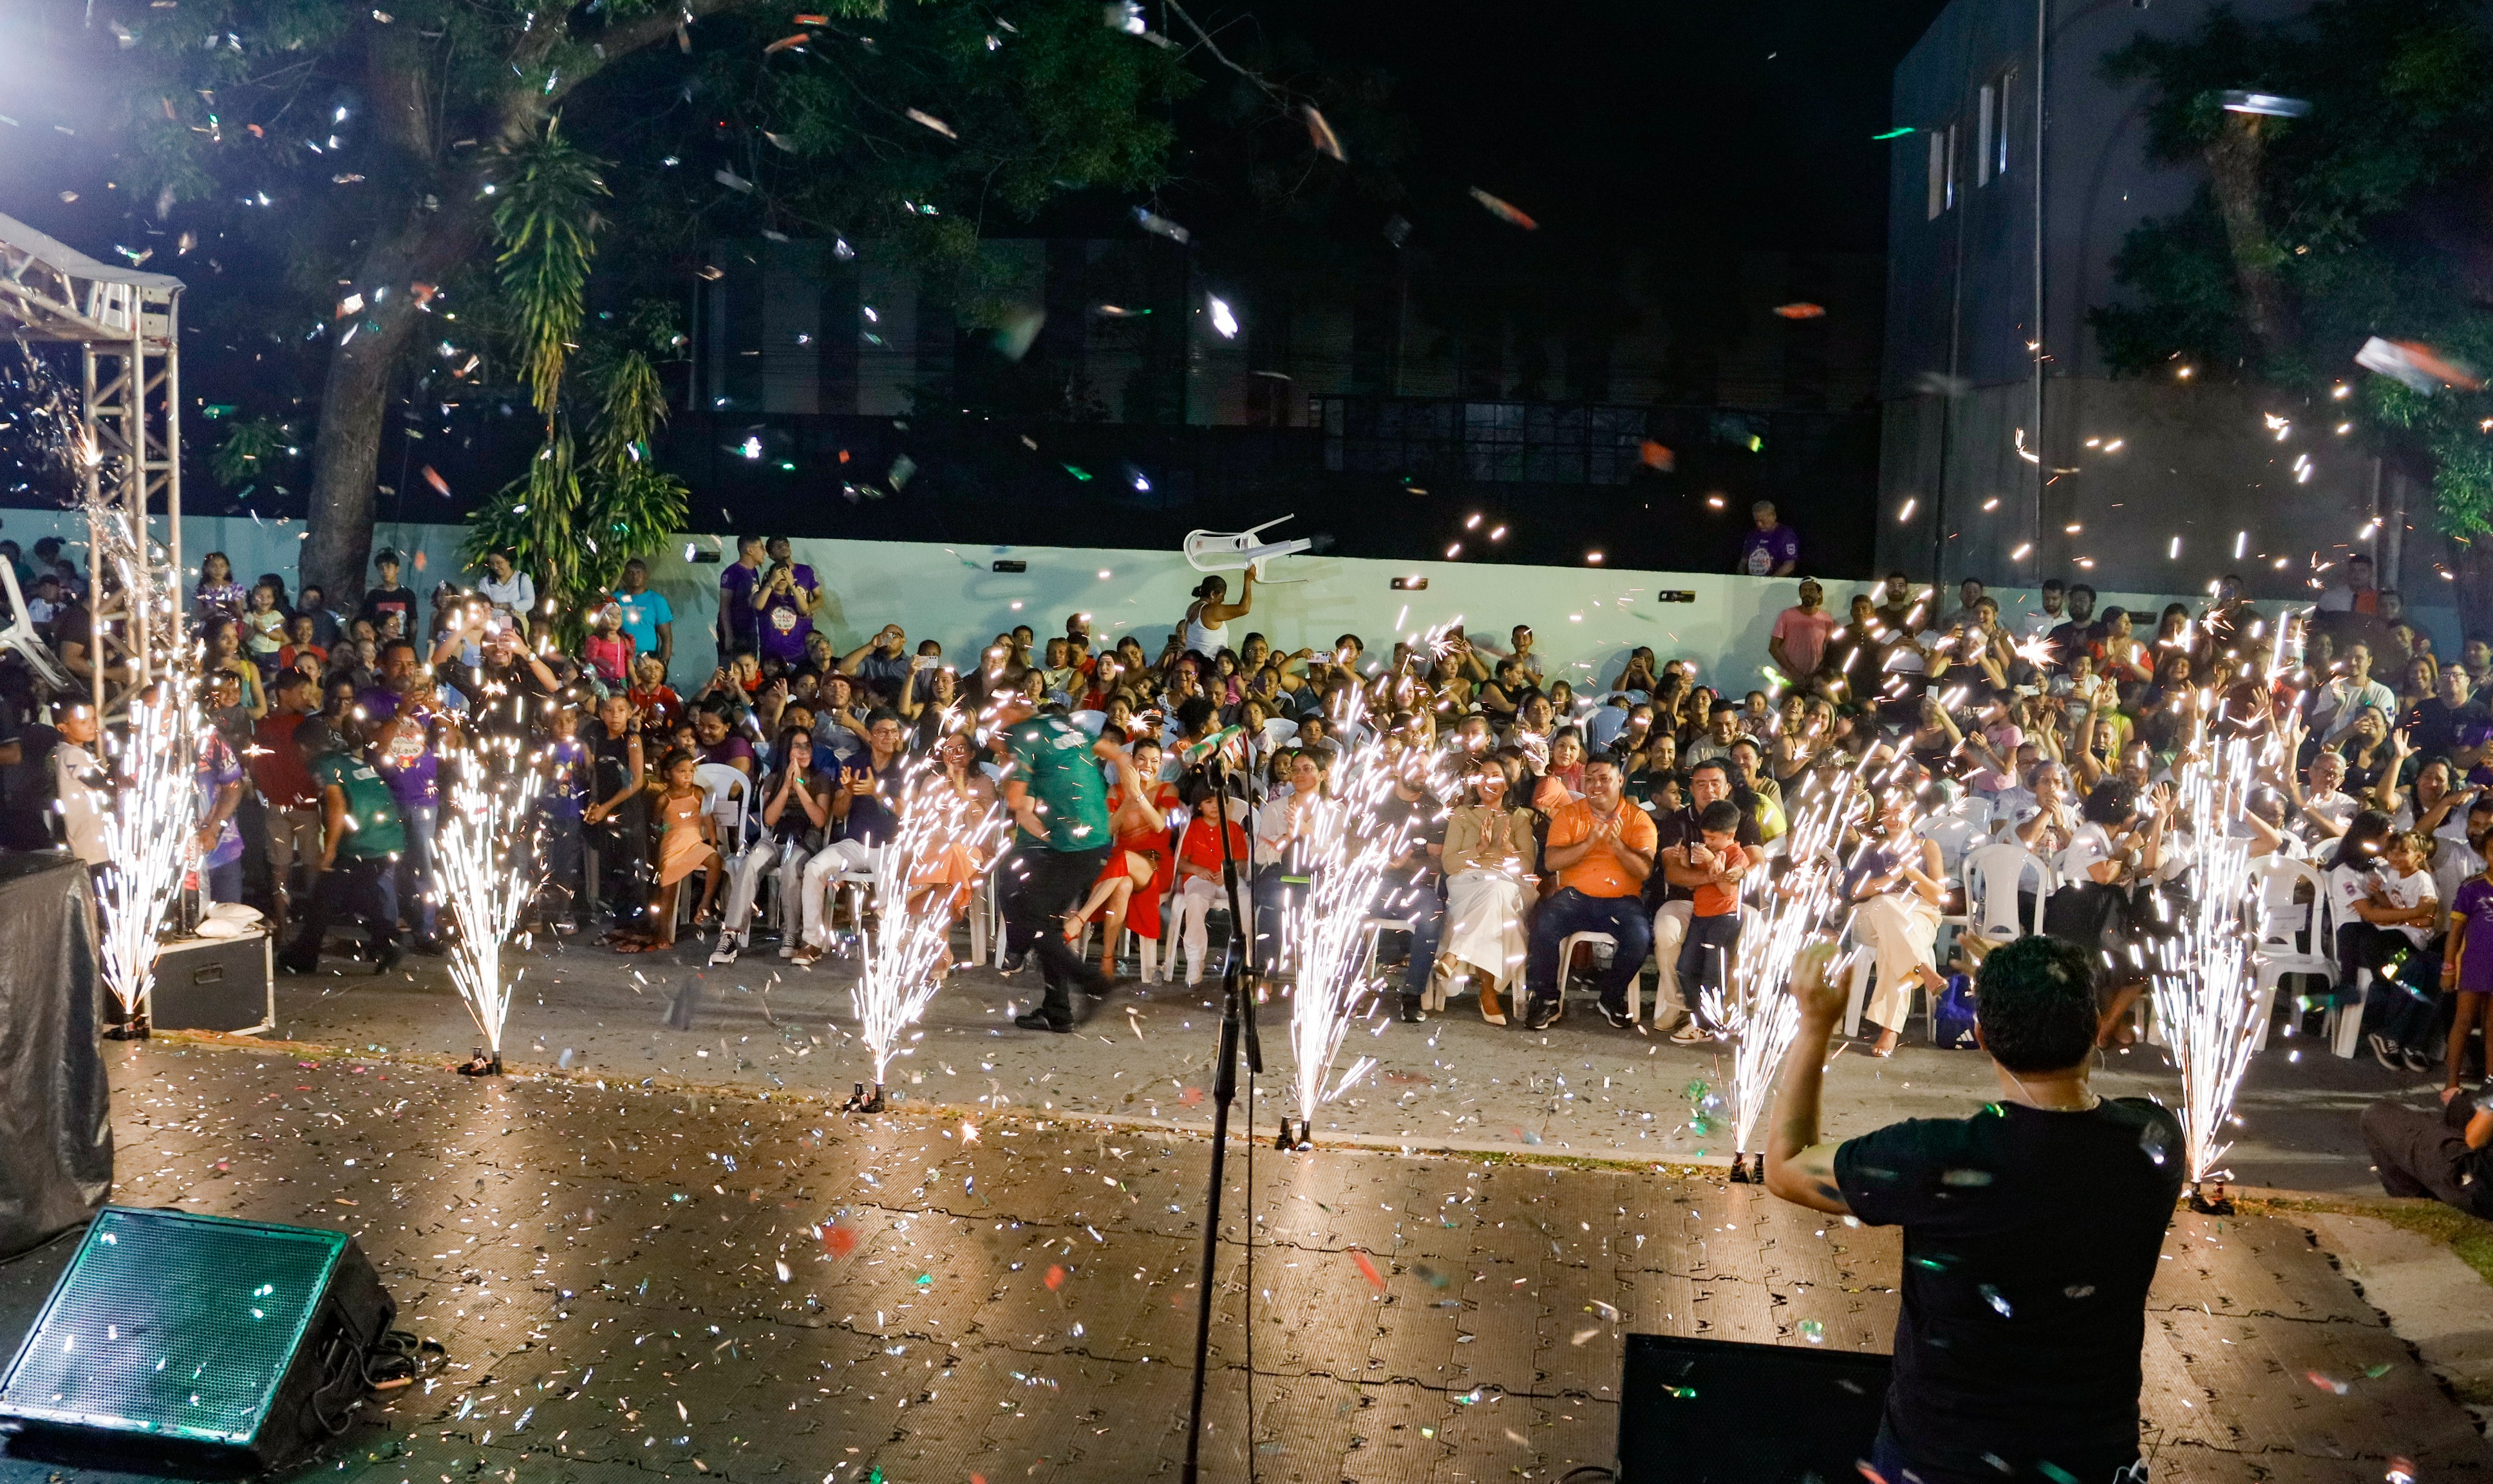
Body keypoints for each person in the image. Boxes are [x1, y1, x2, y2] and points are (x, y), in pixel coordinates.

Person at [1766, 935, 2183, 1484]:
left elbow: (1785, 1165)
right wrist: (2036, 996)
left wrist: (1815, 1024)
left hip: (1938, 1465)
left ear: (1982, 1036)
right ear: (2094, 1027)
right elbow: (2078, 1127)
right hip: (2092, 1465)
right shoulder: (2154, 1142)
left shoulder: (1937, 1158)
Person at [994, 695, 1118, 1031]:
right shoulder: (1061, 740)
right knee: (1042, 922)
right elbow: (1112, 750)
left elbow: (1020, 807)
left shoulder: (1027, 743)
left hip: (1067, 850)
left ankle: (1093, 982)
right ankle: (1058, 1011)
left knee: (1035, 920)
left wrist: (1053, 839)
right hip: (1083, 845)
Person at [1523, 757, 1657, 1029]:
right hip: (1575, 897)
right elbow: (1551, 862)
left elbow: (1644, 871)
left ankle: (1611, 997)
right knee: (1544, 924)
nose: (1596, 785)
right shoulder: (1569, 815)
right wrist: (1589, 843)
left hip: (1622, 900)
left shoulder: (1637, 818)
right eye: (1590, 779)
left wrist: (1617, 845)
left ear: (1620, 780)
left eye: (1604, 779)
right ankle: (1547, 998)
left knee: (1640, 937)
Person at [281, 720, 408, 977]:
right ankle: (387, 942)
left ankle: (305, 957)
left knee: (326, 897)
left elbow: (337, 805)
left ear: (304, 748)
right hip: (387, 836)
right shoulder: (348, 759)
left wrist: (329, 851)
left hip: (365, 842)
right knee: (352, 894)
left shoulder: (322, 764)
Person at [1847, 787, 1953, 1057]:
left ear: (1912, 813)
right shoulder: (1870, 847)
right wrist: (1889, 880)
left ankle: (1890, 1029)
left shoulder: (1928, 847)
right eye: (1887, 813)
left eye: (1899, 812)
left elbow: (1939, 897)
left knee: (1893, 945)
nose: (1892, 819)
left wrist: (1911, 872)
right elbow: (1854, 892)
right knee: (1886, 905)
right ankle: (1922, 968)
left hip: (1918, 915)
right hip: (1873, 914)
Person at [1437, 755, 1536, 1025]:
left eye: (1495, 776)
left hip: (1510, 884)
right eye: (1483, 776)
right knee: (1495, 899)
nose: (1488, 782)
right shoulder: (1462, 814)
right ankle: (1488, 992)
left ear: (1507, 785)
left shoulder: (1518, 818)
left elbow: (1527, 866)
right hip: (1468, 884)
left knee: (1497, 890)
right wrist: (1479, 848)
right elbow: (1449, 864)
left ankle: (1455, 953)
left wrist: (1509, 850)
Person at [1667, 799, 1749, 1040]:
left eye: (1713, 838)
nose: (1707, 842)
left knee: (1713, 973)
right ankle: (1702, 1017)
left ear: (1730, 835)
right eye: (1705, 837)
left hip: (1724, 919)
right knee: (1685, 968)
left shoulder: (1737, 856)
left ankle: (1707, 1024)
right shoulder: (1706, 851)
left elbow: (1727, 890)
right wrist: (1684, 860)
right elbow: (1694, 883)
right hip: (1700, 916)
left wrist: (1713, 861)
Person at [1171, 787, 1252, 990]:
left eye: (1218, 801)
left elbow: (1243, 863)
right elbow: (1180, 863)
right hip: (1199, 878)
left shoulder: (1234, 829)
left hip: (1228, 878)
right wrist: (1197, 870)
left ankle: (1245, 959)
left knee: (1246, 899)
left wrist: (1229, 872)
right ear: (1199, 806)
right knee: (1196, 899)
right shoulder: (1192, 828)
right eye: (1209, 802)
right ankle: (1195, 960)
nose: (1215, 806)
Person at [612, 558, 674, 678]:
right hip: (618, 661)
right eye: (631, 573)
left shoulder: (657, 601)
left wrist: (662, 668)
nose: (635, 576)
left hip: (646, 663)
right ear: (624, 576)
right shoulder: (615, 599)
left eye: (639, 573)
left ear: (646, 576)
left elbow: (667, 638)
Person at [1767, 579, 1836, 686]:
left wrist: (1817, 675)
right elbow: (1773, 648)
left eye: (1811, 590)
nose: (1807, 593)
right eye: (1804, 590)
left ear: (1820, 594)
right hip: (1788, 679)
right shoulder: (1786, 615)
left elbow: (1830, 650)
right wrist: (1794, 673)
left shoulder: (1827, 619)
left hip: (1815, 681)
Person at [1182, 572, 1254, 659]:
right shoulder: (1209, 610)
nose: (1223, 600)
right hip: (1210, 664)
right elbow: (1244, 609)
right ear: (1213, 594)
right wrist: (1248, 580)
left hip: (1195, 661)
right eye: (1222, 595)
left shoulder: (1192, 607)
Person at [1738, 500, 1798, 578]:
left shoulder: (1785, 534)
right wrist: (1741, 578)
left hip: (1776, 582)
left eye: (1763, 521)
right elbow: (1744, 561)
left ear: (1773, 516)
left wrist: (1770, 580)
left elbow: (1789, 565)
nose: (1760, 525)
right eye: (1757, 521)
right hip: (1752, 581)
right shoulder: (1753, 535)